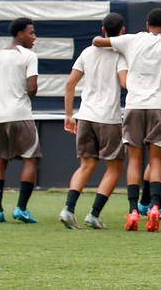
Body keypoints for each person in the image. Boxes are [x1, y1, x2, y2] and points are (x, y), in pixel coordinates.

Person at [93, 8, 161, 232]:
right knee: (157, 160)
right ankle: (155, 208)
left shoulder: (132, 39)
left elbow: (97, 41)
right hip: (158, 107)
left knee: (134, 160)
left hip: (133, 105)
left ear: (147, 25)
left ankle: (133, 211)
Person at [60, 13, 129, 230]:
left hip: (86, 115)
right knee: (115, 167)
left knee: (86, 165)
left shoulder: (87, 52)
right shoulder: (120, 54)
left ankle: (68, 209)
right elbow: (125, 82)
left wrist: (69, 114)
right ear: (122, 32)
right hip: (108, 118)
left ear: (103, 30)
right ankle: (94, 214)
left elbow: (70, 83)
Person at [0, 17, 41, 224]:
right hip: (21, 115)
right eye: (31, 33)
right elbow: (32, 87)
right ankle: (21, 208)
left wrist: (3, 92)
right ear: (20, 34)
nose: (34, 37)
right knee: (31, 159)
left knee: (0, 159)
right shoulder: (29, 55)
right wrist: (24, 95)